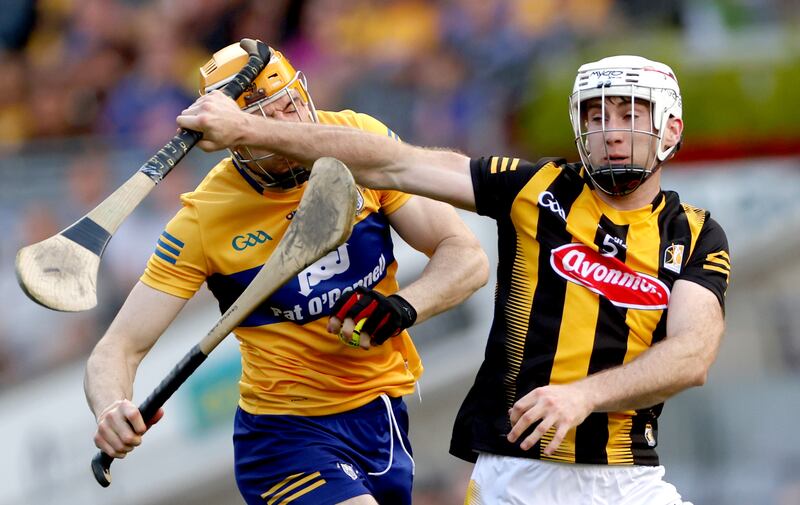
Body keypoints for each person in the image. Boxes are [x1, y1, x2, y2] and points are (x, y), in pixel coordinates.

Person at [177, 54, 731, 504]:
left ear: (669, 128)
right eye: (597, 115)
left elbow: (692, 355)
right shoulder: (534, 189)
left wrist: (584, 396)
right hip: (518, 478)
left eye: (630, 114)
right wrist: (248, 128)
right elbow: (392, 164)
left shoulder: (698, 235)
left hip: (631, 478)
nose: (612, 132)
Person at [84, 42, 489, 505]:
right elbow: (116, 349)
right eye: (266, 116)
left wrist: (402, 308)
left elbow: (466, 256)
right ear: (234, 135)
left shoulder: (355, 139)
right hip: (286, 438)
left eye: (292, 103)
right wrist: (111, 408)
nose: (291, 122)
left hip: (384, 414)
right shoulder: (204, 219)